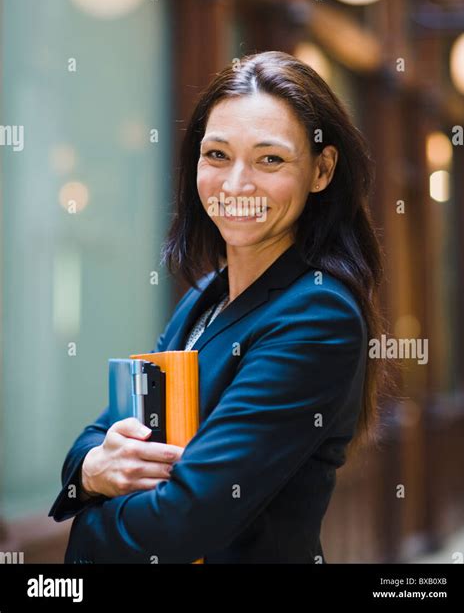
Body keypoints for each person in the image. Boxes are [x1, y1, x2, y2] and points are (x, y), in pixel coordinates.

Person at [48, 50, 389, 563]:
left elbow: (184, 519)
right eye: (217, 155)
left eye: (269, 159)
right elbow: (103, 432)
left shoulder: (318, 315)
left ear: (322, 170)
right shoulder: (206, 295)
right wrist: (93, 467)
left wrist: (83, 523)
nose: (235, 186)